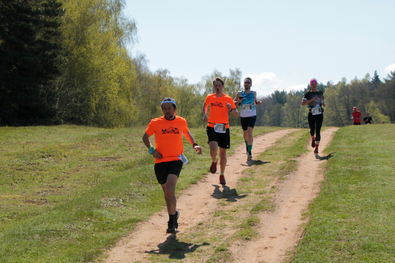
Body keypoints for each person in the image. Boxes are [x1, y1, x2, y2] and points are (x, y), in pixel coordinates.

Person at [142, 97, 202, 234]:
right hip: (160, 162)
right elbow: (145, 137)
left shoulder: (181, 121)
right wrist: (152, 150)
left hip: (176, 159)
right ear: (162, 109)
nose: (167, 111)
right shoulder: (155, 123)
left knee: (169, 190)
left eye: (170, 108)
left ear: (175, 109)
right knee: (167, 193)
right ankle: (174, 213)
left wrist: (194, 144)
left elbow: (186, 132)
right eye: (165, 108)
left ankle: (171, 222)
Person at [203, 77, 239, 185]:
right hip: (212, 127)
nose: (217, 87)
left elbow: (237, 115)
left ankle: (222, 174)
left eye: (219, 85)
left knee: (223, 154)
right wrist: (204, 114)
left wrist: (231, 109)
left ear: (223, 87)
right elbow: (205, 105)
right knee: (213, 149)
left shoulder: (228, 99)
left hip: (224, 128)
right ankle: (214, 161)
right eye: (216, 86)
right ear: (214, 87)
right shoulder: (210, 97)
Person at [234, 77, 262, 159]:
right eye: (245, 82)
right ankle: (247, 146)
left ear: (251, 84)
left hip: (252, 115)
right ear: (243, 84)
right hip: (243, 116)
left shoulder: (253, 93)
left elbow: (255, 102)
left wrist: (258, 102)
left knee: (250, 133)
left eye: (248, 82)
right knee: (245, 134)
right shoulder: (239, 94)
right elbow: (233, 102)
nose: (246, 83)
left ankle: (249, 151)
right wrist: (238, 102)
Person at [302, 78, 326, 154]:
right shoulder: (308, 94)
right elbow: (303, 103)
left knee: (318, 130)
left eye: (315, 84)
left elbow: (322, 101)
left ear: (317, 84)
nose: (314, 85)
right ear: (310, 85)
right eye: (312, 84)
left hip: (319, 114)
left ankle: (316, 147)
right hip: (311, 114)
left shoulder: (320, 92)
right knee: (312, 130)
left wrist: (323, 102)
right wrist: (312, 100)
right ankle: (313, 138)